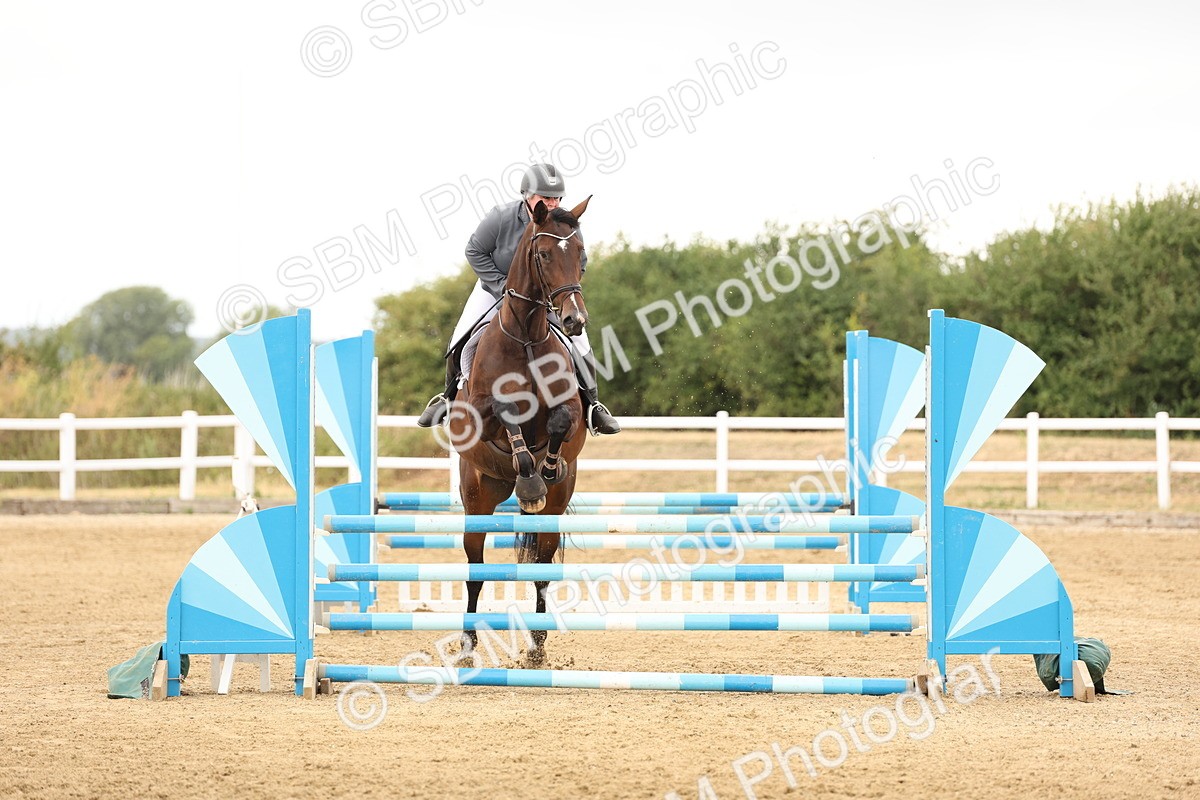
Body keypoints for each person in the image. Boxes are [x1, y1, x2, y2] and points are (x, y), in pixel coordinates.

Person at [416, 163, 621, 435]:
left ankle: (594, 405)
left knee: (580, 341)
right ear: (528, 196)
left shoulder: (564, 225)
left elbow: (578, 260)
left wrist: (558, 292)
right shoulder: (501, 218)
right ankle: (447, 396)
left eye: (556, 198)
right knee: (461, 337)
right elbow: (474, 250)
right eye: (545, 198)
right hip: (495, 289)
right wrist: (499, 284)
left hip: (544, 296)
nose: (551, 203)